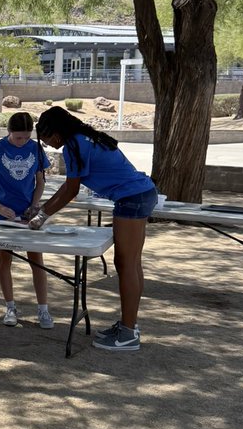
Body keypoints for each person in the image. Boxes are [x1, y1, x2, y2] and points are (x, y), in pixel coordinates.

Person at [32, 106, 157, 352]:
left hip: (131, 199)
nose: (46, 144)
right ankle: (128, 324)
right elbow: (70, 189)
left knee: (125, 265)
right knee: (132, 264)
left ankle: (129, 334)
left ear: (55, 132)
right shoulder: (84, 137)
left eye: (46, 138)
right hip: (140, 194)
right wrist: (43, 210)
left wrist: (42, 214)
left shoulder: (74, 146)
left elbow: (71, 190)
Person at [0, 111, 53, 330]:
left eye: (26, 137)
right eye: (18, 138)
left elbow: (40, 182)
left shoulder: (35, 148)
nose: (22, 142)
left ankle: (43, 310)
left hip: (28, 216)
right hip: (2, 216)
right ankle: (10, 307)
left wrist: (35, 205)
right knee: (4, 261)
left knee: (37, 261)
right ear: (9, 132)